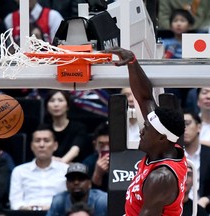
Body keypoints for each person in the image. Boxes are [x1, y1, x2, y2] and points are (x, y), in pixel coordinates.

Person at [105, 47, 187, 215]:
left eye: (146, 129)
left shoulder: (161, 178)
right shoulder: (166, 144)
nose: (141, 132)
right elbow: (145, 97)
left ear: (161, 138)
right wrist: (132, 62)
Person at [9, 124, 68, 210]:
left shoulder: (66, 170)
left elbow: (69, 201)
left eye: (46, 141)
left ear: (55, 146)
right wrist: (27, 209)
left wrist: (52, 208)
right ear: (32, 146)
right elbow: (15, 203)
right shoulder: (19, 171)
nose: (41, 145)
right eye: (37, 141)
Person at [45, 90, 88, 163]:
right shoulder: (43, 129)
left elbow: (75, 151)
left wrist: (59, 164)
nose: (56, 104)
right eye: (52, 101)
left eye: (60, 100)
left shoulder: (78, 127)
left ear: (68, 106)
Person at [183, 110, 210, 211]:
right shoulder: (173, 155)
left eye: (187, 124)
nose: (184, 128)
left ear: (199, 127)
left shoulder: (208, 154)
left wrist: (207, 199)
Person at [82, 122, 109, 192]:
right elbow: (90, 194)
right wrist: (98, 174)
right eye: (101, 145)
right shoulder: (88, 163)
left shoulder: (123, 160)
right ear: (95, 145)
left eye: (110, 144)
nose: (106, 148)